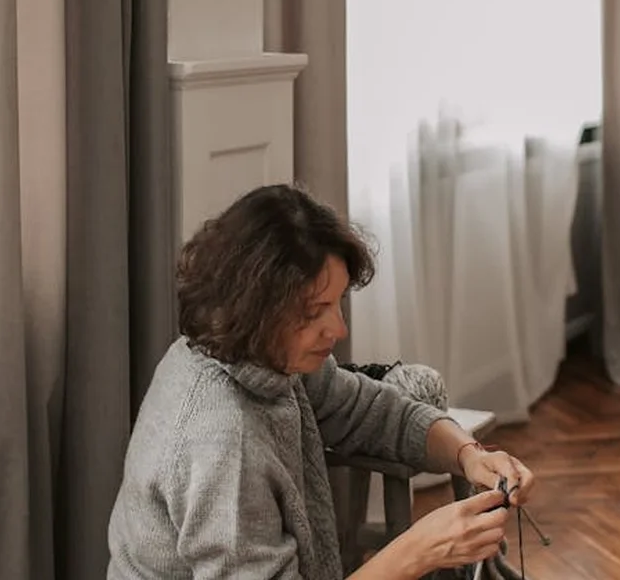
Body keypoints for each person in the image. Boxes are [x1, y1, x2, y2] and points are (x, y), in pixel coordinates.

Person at [107, 184, 536, 579]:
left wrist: (468, 455)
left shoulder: (258, 354)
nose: (338, 329)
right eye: (315, 312)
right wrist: (418, 550)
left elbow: (373, 412)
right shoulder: (221, 440)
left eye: (337, 304)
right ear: (257, 306)